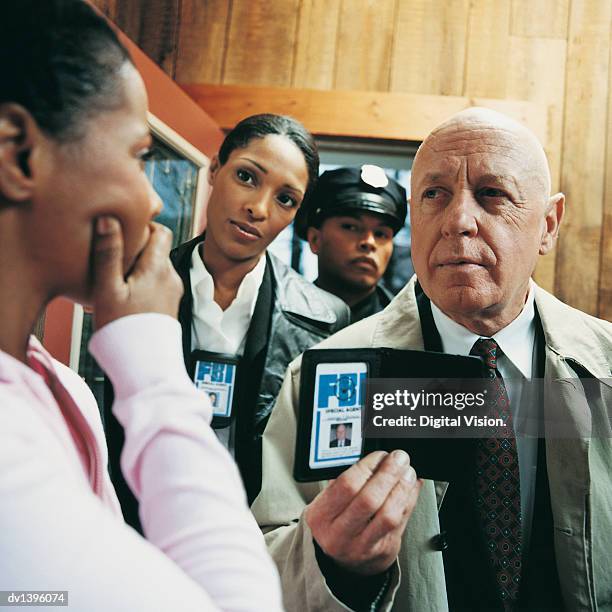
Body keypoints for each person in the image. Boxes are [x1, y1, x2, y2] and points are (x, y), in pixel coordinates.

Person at [252, 108, 612, 611]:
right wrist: (334, 564)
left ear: (548, 225)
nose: (459, 221)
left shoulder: (606, 370)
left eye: (492, 194)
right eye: (434, 195)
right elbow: (261, 565)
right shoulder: (329, 374)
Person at [0, 2, 283, 610]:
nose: (153, 201)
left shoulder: (62, 388)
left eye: (288, 198)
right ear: (19, 153)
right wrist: (150, 360)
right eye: (136, 156)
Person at [169, 114, 351, 504]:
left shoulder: (325, 319)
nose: (258, 208)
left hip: (256, 535)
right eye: (247, 177)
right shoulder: (138, 285)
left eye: (286, 199)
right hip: (139, 526)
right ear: (215, 169)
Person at [295, 165, 407, 322]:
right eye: (351, 227)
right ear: (315, 240)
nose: (368, 242)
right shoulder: (277, 316)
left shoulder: (410, 328)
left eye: (380, 234)